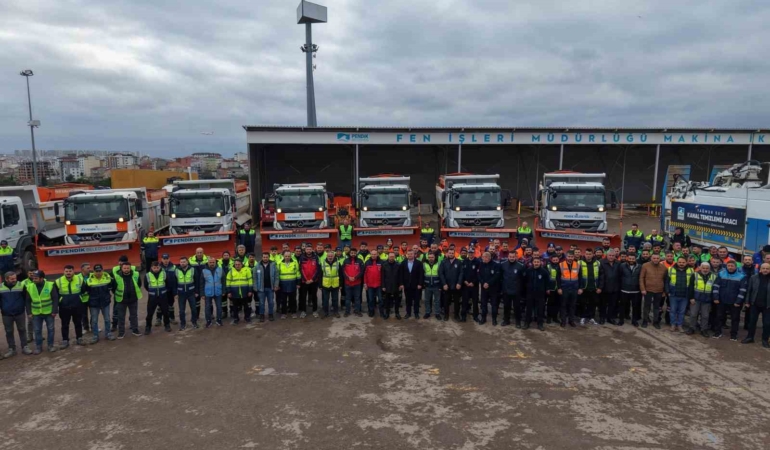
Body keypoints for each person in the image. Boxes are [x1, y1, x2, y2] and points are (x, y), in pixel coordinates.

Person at [712, 260, 747, 340]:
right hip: (721, 301)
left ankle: (733, 335)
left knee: (735, 319)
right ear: (726, 266)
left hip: (734, 302)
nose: (730, 267)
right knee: (719, 317)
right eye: (729, 266)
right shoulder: (721, 274)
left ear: (735, 267)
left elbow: (743, 290)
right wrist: (716, 298)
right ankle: (718, 332)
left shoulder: (741, 276)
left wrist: (738, 301)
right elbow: (716, 286)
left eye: (732, 266)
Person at [0, 272, 32, 358]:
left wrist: (28, 311)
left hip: (20, 313)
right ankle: (12, 349)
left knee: (22, 329)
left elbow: (27, 299)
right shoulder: (0, 287)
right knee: (9, 332)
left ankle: (25, 347)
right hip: (6, 314)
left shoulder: (21, 285)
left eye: (15, 278)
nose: (15, 280)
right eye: (12, 279)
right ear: (6, 279)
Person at [26, 271, 58, 354]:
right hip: (36, 313)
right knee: (37, 330)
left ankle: (50, 345)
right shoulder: (29, 287)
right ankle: (38, 347)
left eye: (36, 278)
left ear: (42, 278)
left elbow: (55, 299)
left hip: (49, 312)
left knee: (50, 329)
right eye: (33, 278)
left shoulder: (50, 285)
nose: (34, 280)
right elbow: (28, 301)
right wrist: (29, 312)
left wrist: (54, 311)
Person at [55, 265, 87, 348]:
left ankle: (79, 338)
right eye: (66, 271)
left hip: (77, 306)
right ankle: (65, 340)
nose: (68, 273)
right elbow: (55, 295)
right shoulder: (58, 281)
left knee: (78, 323)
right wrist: (61, 301)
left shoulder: (80, 279)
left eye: (70, 271)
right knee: (65, 324)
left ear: (73, 271)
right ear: (64, 272)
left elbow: (84, 290)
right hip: (64, 307)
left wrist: (78, 299)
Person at [84, 264, 115, 343]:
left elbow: (113, 287)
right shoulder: (89, 280)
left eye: (100, 271)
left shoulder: (108, 279)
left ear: (102, 270)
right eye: (96, 271)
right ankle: (95, 336)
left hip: (105, 303)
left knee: (107, 319)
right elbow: (85, 290)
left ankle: (108, 333)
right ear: (93, 271)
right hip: (94, 304)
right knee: (94, 321)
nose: (98, 273)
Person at [742, 263, 770, 347]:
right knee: (752, 322)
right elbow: (749, 290)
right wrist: (747, 301)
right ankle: (750, 337)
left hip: (768, 306)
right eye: (763, 268)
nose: (765, 270)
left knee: (767, 324)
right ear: (760, 269)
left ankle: (765, 340)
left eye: (767, 268)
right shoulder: (753, 278)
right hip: (754, 304)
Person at [684, 262, 716, 337]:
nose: (705, 270)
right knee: (693, 314)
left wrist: (712, 299)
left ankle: (704, 329)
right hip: (696, 299)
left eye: (707, 268)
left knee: (705, 316)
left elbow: (714, 289)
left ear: (709, 269)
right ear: (700, 268)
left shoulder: (714, 276)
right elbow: (690, 287)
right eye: (703, 268)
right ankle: (692, 328)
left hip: (707, 300)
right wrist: (691, 298)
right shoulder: (694, 275)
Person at [665, 257, 695, 333]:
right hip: (673, 294)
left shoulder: (691, 270)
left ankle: (680, 325)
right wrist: (667, 291)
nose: (681, 264)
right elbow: (667, 282)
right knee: (673, 311)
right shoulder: (670, 269)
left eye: (683, 262)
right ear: (677, 262)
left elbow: (692, 284)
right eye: (680, 262)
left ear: (686, 262)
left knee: (682, 312)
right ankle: (673, 325)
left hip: (685, 295)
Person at [113, 262, 142, 339]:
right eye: (124, 268)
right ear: (121, 268)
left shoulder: (136, 274)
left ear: (130, 268)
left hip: (133, 299)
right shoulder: (117, 276)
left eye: (128, 268)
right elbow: (113, 288)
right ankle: (121, 332)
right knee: (121, 317)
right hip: (121, 300)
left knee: (134, 316)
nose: (126, 269)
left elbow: (139, 284)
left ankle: (135, 330)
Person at [640, 254, 667, 329]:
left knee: (657, 307)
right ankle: (645, 320)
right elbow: (641, 278)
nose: (656, 259)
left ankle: (655, 321)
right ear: (651, 258)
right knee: (647, 306)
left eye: (657, 258)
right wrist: (643, 289)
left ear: (659, 259)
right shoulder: (645, 266)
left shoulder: (664, 267)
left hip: (659, 290)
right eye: (654, 258)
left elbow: (665, 280)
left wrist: (664, 291)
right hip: (648, 290)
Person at [144, 261, 171, 334]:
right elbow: (146, 286)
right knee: (150, 313)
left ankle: (167, 325)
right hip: (152, 297)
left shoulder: (164, 274)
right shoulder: (147, 275)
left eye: (157, 267)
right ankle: (148, 327)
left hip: (163, 296)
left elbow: (168, 284)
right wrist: (152, 292)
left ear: (160, 267)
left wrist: (164, 291)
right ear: (151, 268)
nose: (156, 269)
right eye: (154, 268)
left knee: (165, 312)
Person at [500, 252, 525, 327]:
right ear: (508, 256)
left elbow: (523, 279)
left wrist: (521, 289)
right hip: (506, 290)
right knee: (506, 306)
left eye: (513, 257)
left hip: (516, 290)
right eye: (510, 256)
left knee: (517, 307)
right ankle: (506, 320)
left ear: (516, 257)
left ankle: (518, 322)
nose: (511, 258)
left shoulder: (521, 266)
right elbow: (501, 277)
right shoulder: (503, 264)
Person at [523, 257, 549, 331]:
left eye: (538, 262)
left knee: (540, 310)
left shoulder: (544, 271)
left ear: (540, 263)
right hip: (530, 293)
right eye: (535, 262)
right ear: (532, 263)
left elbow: (547, 282)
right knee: (528, 309)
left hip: (540, 294)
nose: (536, 263)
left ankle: (540, 324)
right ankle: (527, 323)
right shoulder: (528, 271)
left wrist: (547, 289)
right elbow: (524, 281)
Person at [558, 252, 582, 328]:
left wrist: (580, 288)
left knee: (572, 305)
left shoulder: (577, 265)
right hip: (564, 288)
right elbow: (557, 278)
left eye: (572, 256)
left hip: (574, 288)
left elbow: (581, 277)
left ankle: (571, 321)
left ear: (574, 257)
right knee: (563, 305)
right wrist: (559, 288)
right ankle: (563, 321)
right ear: (566, 256)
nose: (570, 258)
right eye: (569, 256)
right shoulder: (561, 264)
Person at [439, 248, 463, 322]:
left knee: (457, 302)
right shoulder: (443, 262)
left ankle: (456, 315)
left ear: (454, 253)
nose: (451, 254)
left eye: (452, 253)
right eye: (450, 253)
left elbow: (461, 273)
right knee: (446, 301)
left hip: (456, 286)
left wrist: (459, 283)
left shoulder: (459, 262)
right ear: (447, 253)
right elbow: (441, 274)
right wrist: (444, 284)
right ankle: (446, 315)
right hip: (447, 286)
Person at [175, 257, 199, 330]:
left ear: (187, 262)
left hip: (191, 293)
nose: (183, 263)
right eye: (181, 262)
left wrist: (197, 292)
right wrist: (175, 293)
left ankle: (194, 322)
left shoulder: (193, 269)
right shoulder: (176, 270)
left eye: (184, 262)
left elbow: (197, 281)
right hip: (181, 294)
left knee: (194, 309)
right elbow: (174, 283)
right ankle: (183, 324)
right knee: (181, 310)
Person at [226, 258, 253, 324]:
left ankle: (247, 317)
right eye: (236, 264)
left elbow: (250, 281)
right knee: (235, 307)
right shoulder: (231, 272)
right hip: (235, 293)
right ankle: (236, 318)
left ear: (242, 264)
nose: (237, 265)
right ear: (234, 265)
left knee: (246, 306)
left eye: (239, 264)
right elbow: (228, 282)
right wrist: (229, 292)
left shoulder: (247, 270)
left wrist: (250, 291)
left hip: (245, 292)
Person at [579, 248, 601, 325]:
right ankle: (583, 317)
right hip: (584, 288)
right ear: (584, 254)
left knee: (593, 303)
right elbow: (577, 277)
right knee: (583, 303)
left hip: (594, 288)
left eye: (590, 254)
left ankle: (591, 317)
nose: (588, 256)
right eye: (587, 254)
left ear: (593, 254)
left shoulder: (597, 263)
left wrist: (599, 287)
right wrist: (580, 287)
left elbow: (601, 276)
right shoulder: (579, 263)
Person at [253, 252, 278, 322]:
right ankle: (262, 315)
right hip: (261, 288)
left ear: (269, 257)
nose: (265, 258)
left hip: (270, 288)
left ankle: (270, 314)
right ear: (262, 257)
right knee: (261, 303)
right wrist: (255, 287)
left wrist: (276, 285)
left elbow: (276, 276)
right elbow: (254, 278)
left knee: (271, 302)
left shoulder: (273, 265)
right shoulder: (257, 266)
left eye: (266, 257)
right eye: (264, 257)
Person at [599, 250, 622, 325]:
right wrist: (600, 287)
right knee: (603, 304)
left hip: (615, 288)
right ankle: (602, 317)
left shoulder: (618, 263)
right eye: (610, 255)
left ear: (615, 256)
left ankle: (610, 318)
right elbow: (600, 276)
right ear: (607, 255)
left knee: (612, 304)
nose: (611, 257)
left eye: (613, 256)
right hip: (604, 287)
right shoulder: (601, 262)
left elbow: (620, 275)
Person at [399, 250, 424, 320]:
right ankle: (408, 313)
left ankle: (416, 313)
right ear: (407, 255)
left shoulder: (419, 263)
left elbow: (421, 274)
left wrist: (420, 284)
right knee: (408, 300)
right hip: (407, 285)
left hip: (416, 285)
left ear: (414, 255)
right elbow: (401, 274)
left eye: (411, 254)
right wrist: (401, 283)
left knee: (416, 300)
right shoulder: (403, 263)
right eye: (409, 254)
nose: (410, 255)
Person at [477, 252, 501, 325]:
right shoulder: (481, 264)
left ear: (489, 257)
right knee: (483, 304)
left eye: (484, 257)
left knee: (494, 304)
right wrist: (483, 283)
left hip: (493, 288)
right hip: (484, 288)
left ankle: (494, 319)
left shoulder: (495, 265)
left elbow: (496, 276)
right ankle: (483, 318)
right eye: (483, 257)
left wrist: (488, 283)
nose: (483, 258)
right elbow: (478, 274)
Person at [620, 253, 642, 327]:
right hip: (624, 290)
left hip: (635, 291)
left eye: (633, 259)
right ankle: (621, 320)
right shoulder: (622, 266)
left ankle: (634, 320)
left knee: (635, 307)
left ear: (635, 259)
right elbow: (619, 277)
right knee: (623, 306)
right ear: (627, 258)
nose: (631, 260)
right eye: (630, 258)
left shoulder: (639, 267)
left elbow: (641, 278)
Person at [298, 246, 321, 318]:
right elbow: (301, 269)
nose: (308, 250)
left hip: (314, 281)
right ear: (305, 250)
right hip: (304, 282)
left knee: (314, 296)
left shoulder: (316, 257)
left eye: (310, 249)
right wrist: (305, 280)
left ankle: (315, 310)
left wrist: (312, 279)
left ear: (312, 250)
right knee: (303, 297)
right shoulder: (301, 258)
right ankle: (303, 311)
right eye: (307, 249)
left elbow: (318, 269)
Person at [276, 251, 299, 319]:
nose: (287, 257)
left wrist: (298, 283)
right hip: (283, 284)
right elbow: (277, 275)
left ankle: (293, 312)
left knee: (293, 299)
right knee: (283, 300)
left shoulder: (295, 262)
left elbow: (297, 273)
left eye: (288, 256)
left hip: (292, 283)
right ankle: (284, 313)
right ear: (283, 256)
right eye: (286, 256)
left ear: (291, 256)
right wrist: (277, 284)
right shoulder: (279, 263)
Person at [341, 248, 364, 317]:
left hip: (357, 283)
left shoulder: (360, 261)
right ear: (349, 253)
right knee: (348, 298)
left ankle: (357, 311)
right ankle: (347, 311)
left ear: (356, 253)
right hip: (348, 283)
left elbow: (362, 271)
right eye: (352, 253)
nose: (353, 254)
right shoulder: (345, 261)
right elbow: (343, 271)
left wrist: (355, 277)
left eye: (354, 253)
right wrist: (348, 278)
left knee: (357, 298)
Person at [201, 258, 224, 327]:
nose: (212, 264)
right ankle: (208, 321)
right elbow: (201, 283)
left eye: (213, 262)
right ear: (208, 263)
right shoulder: (204, 271)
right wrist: (202, 294)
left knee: (219, 307)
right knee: (207, 307)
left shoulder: (220, 270)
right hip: (208, 292)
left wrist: (224, 291)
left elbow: (223, 281)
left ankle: (219, 320)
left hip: (218, 291)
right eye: (210, 262)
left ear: (215, 262)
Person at [319, 251, 341, 319]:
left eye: (331, 256)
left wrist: (340, 285)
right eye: (329, 256)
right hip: (325, 285)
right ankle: (326, 312)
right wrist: (320, 285)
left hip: (335, 285)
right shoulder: (323, 264)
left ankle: (335, 312)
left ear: (334, 256)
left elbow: (341, 274)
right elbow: (320, 275)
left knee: (335, 299)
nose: (330, 257)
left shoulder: (338, 263)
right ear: (327, 256)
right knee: (325, 300)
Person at [157, 254, 178, 325]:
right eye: (164, 259)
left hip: (170, 290)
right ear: (161, 259)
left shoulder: (174, 267)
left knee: (171, 305)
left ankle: (172, 318)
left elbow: (176, 280)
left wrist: (175, 292)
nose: (165, 260)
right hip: (161, 290)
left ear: (169, 259)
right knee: (160, 305)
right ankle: (158, 319)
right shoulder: (158, 267)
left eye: (167, 258)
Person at [380, 252, 401, 319]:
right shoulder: (384, 265)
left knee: (397, 301)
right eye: (390, 256)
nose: (391, 258)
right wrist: (383, 286)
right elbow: (382, 276)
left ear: (394, 257)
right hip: (387, 285)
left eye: (393, 256)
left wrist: (401, 284)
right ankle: (387, 313)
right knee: (387, 301)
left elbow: (401, 276)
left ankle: (397, 313)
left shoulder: (398, 265)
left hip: (396, 285)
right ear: (388, 257)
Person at [462, 247, 480, 323]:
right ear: (467, 253)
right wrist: (464, 281)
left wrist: (473, 282)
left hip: (474, 286)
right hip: (465, 285)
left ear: (474, 253)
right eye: (469, 253)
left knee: (475, 302)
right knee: (464, 301)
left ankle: (475, 316)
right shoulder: (464, 261)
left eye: (472, 253)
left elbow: (479, 274)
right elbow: (461, 273)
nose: (470, 254)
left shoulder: (478, 262)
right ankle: (463, 316)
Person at [423, 253, 442, 320]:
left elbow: (441, 276)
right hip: (427, 286)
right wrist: (423, 284)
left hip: (436, 286)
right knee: (427, 300)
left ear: (434, 257)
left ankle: (437, 313)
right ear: (428, 258)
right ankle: (427, 312)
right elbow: (422, 275)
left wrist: (440, 286)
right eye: (429, 257)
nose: (431, 258)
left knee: (437, 300)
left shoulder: (439, 264)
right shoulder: (424, 264)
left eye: (432, 257)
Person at [363, 248, 382, 317]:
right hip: (370, 285)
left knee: (380, 300)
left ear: (377, 254)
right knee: (371, 300)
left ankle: (381, 312)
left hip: (379, 285)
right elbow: (364, 274)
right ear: (370, 255)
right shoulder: (367, 262)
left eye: (375, 254)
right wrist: (365, 283)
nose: (374, 255)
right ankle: (371, 311)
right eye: (372, 254)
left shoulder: (381, 262)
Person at [546, 254, 562, 324]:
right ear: (551, 260)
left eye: (556, 260)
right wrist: (547, 288)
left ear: (558, 260)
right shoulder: (547, 266)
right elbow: (545, 278)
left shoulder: (561, 266)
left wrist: (561, 288)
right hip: (551, 288)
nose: (555, 261)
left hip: (559, 288)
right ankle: (549, 317)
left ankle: (555, 317)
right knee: (550, 303)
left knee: (557, 304)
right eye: (554, 260)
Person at [219, 251, 233, 319]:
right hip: (222, 283)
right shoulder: (218, 263)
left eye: (227, 255)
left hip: (231, 283)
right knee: (223, 299)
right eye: (224, 255)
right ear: (222, 256)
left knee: (232, 299)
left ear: (229, 256)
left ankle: (232, 311)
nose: (226, 256)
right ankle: (224, 312)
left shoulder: (233, 262)